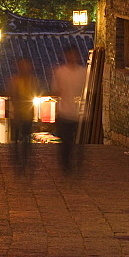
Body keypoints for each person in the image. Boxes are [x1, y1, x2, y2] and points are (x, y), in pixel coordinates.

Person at [51, 45, 87, 175]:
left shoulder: (83, 72)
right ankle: (66, 166)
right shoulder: (60, 72)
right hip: (65, 112)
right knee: (66, 142)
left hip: (79, 113)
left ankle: (76, 166)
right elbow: (56, 90)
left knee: (78, 143)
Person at [7, 57, 38, 176]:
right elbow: (12, 96)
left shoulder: (32, 81)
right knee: (15, 139)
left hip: (27, 114)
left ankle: (24, 159)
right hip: (17, 114)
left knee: (26, 138)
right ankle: (16, 159)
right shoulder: (15, 81)